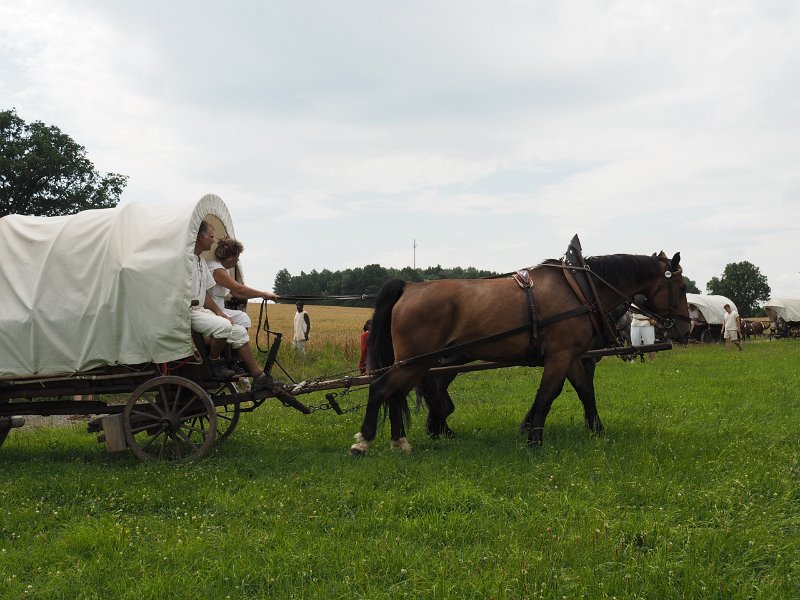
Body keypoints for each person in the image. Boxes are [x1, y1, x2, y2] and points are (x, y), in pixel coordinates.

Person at [191, 220, 272, 390]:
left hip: (202, 310)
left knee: (240, 330)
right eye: (211, 237)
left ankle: (258, 376)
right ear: (200, 236)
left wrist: (219, 312)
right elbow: (237, 289)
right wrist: (222, 315)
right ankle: (215, 363)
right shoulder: (187, 262)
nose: (213, 241)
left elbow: (204, 294)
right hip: (190, 311)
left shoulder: (199, 262)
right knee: (226, 325)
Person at [206, 237, 278, 329]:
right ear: (231, 257)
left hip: (219, 309)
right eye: (237, 257)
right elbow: (239, 289)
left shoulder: (222, 269)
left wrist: (261, 295)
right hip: (211, 310)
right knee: (241, 321)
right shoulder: (216, 269)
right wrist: (263, 294)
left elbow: (236, 293)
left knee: (243, 317)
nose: (238, 260)